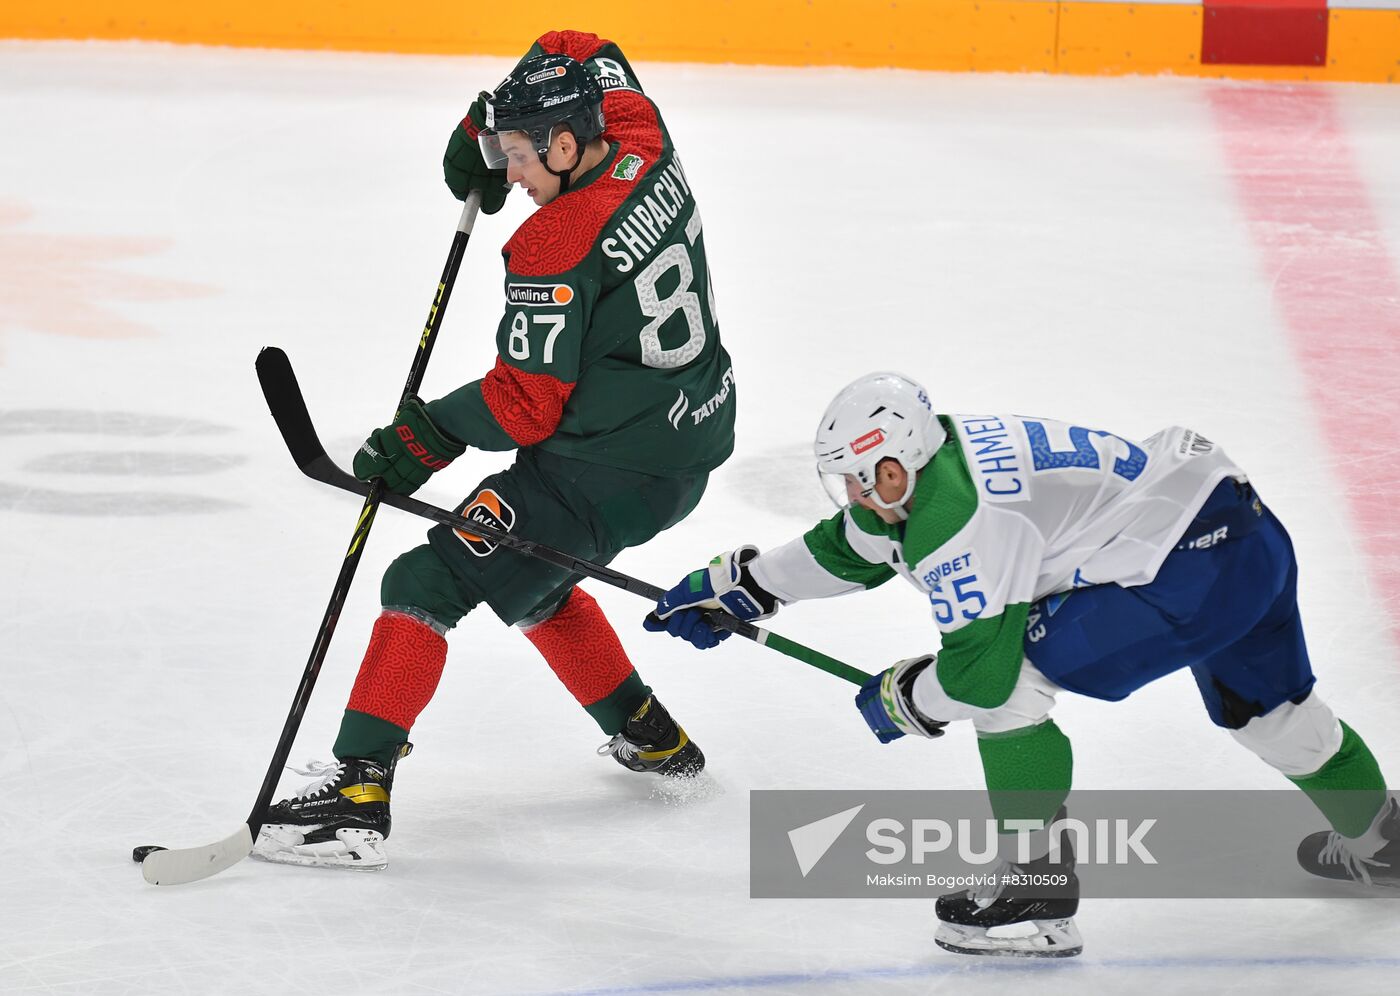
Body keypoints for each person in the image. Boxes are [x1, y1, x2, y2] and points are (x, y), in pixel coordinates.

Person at [646, 371, 1396, 957]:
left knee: (1013, 691)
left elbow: (980, 678)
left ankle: (1035, 886)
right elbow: (855, 546)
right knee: (1274, 716)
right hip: (1241, 530)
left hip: (1185, 576)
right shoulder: (933, 458)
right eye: (851, 482)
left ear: (905, 459)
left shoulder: (957, 520)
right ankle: (1383, 837)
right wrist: (742, 585)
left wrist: (908, 698)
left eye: (874, 480)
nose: (864, 496)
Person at [253, 30, 735, 871]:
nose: (507, 172)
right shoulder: (640, 131)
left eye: (516, 153)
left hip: (606, 470)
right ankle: (650, 736)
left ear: (561, 142)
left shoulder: (557, 241)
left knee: (427, 579)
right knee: (531, 571)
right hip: (691, 431)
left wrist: (421, 438)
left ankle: (357, 794)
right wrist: (487, 117)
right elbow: (580, 45)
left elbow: (522, 405)